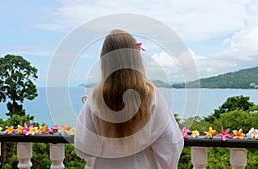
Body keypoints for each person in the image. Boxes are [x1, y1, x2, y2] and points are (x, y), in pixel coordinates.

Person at [74, 29, 183, 169]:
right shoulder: (151, 96)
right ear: (136, 58)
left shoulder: (95, 98)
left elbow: (84, 147)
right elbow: (172, 144)